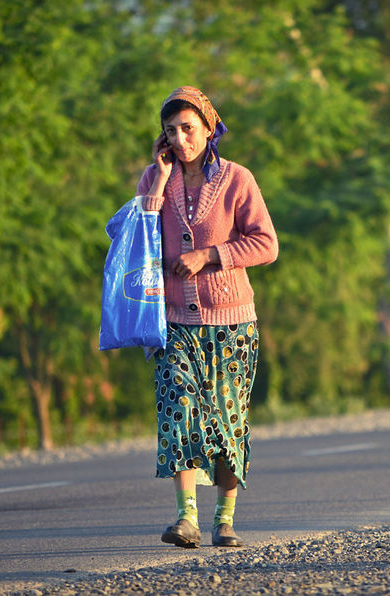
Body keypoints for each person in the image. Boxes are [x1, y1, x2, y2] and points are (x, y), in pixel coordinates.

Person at [135, 86, 278, 548]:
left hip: (232, 323)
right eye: (171, 131)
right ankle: (186, 519)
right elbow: (140, 240)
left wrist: (209, 255)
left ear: (209, 127)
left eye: (188, 129)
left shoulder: (238, 180)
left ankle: (226, 519)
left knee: (226, 421)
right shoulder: (154, 179)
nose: (180, 139)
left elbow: (266, 244)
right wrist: (157, 184)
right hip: (173, 322)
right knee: (178, 412)